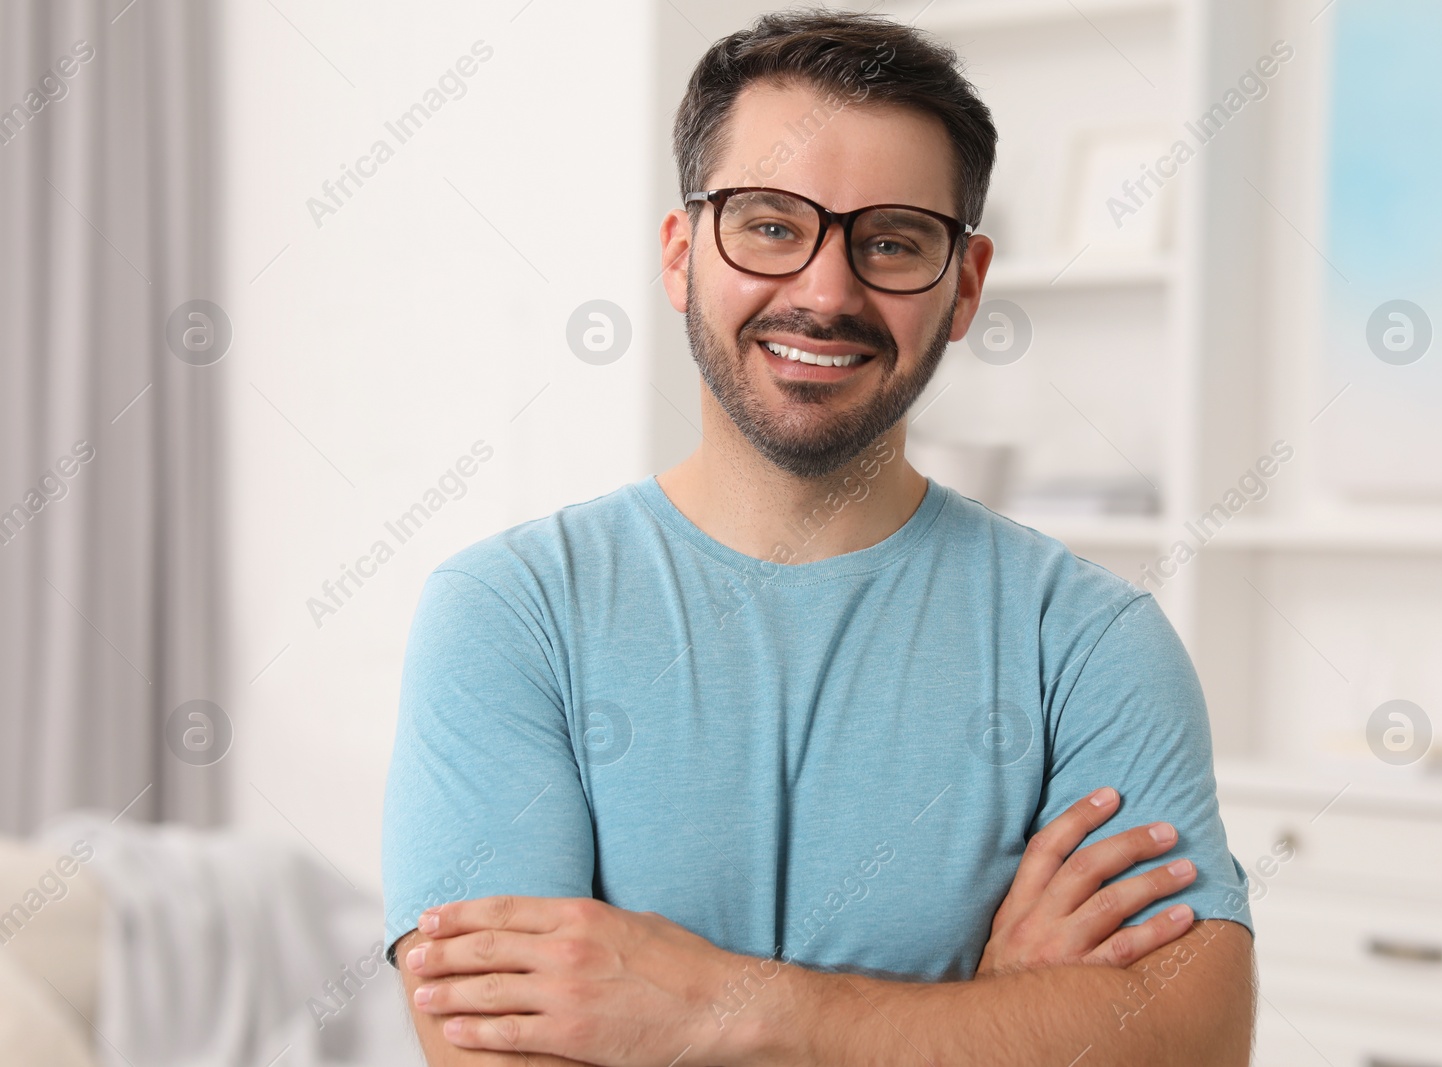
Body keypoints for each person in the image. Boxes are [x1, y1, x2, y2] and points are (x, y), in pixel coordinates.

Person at [381, 9, 1255, 1065]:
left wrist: (723, 1010)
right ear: (680, 253)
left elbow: (1188, 1041)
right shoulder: (508, 612)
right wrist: (988, 1014)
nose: (826, 291)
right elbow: (498, 1053)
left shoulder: (1088, 642)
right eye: (769, 224)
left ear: (965, 285)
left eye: (892, 242)